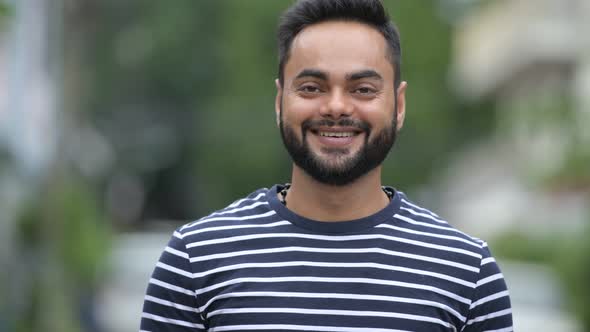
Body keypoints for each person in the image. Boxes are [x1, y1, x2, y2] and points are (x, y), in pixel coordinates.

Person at [140, 0, 513, 331]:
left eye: (363, 89)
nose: (336, 107)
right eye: (311, 88)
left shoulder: (466, 274)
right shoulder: (196, 260)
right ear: (279, 101)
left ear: (398, 106)